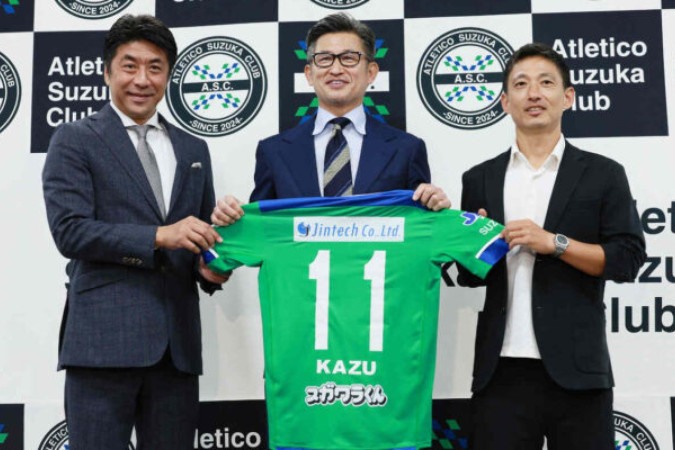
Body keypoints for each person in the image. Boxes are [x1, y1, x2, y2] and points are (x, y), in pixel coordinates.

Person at [42, 14, 229, 450]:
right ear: (107, 71)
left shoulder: (193, 148)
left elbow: (200, 237)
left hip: (177, 352)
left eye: (155, 66)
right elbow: (70, 232)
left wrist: (213, 271)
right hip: (102, 345)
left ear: (168, 74)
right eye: (130, 65)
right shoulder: (74, 139)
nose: (142, 79)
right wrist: (159, 236)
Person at [458, 42, 646, 450]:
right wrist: (453, 235)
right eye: (521, 85)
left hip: (579, 373)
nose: (534, 94)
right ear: (506, 102)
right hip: (500, 372)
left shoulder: (604, 174)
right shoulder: (479, 178)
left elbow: (627, 260)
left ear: (569, 97)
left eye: (546, 83)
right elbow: (465, 275)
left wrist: (554, 243)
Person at [212, 13, 449, 225]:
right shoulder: (273, 152)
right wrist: (233, 219)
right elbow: (263, 232)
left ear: (371, 72)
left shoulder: (407, 149)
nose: (335, 69)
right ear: (309, 74)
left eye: (349, 58)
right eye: (324, 59)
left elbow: (421, 228)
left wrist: (436, 209)